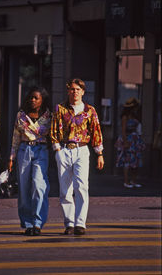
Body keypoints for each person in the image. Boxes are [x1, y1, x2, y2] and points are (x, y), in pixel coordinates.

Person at [50, 78, 104, 236]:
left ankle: (80, 223)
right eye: (72, 89)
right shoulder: (60, 109)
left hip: (82, 150)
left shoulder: (90, 110)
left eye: (78, 89)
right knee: (65, 189)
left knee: (82, 187)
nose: (75, 92)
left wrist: (99, 153)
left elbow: (96, 131)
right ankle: (69, 223)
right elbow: (53, 131)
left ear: (83, 92)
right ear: (68, 91)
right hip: (65, 150)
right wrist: (57, 150)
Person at [8, 86, 51, 236]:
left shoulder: (49, 115)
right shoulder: (21, 115)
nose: (32, 100)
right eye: (31, 97)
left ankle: (38, 223)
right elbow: (15, 137)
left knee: (39, 186)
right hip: (23, 150)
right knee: (24, 187)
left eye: (36, 98)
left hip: (41, 150)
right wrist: (11, 157)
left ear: (42, 100)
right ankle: (27, 223)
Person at [115, 97, 146, 188]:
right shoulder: (125, 117)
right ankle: (126, 181)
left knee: (135, 161)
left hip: (135, 139)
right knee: (127, 161)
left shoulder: (134, 116)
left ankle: (133, 180)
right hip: (128, 139)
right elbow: (123, 130)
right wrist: (125, 142)